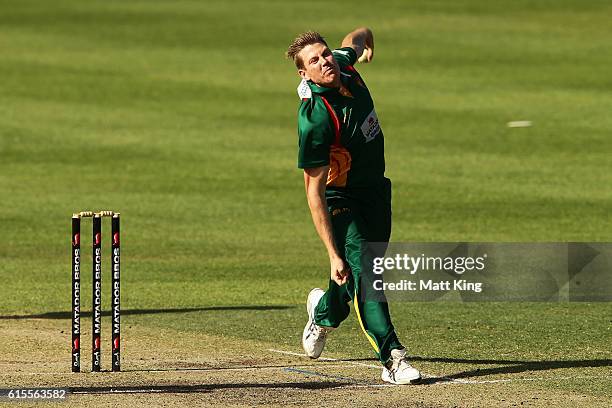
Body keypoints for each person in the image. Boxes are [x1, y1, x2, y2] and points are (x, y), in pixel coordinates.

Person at [286, 28, 422, 385]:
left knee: (359, 271)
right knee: (365, 270)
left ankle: (323, 312)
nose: (324, 61)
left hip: (375, 191)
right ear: (304, 74)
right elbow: (313, 191)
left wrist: (368, 38)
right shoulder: (315, 118)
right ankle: (393, 357)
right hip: (339, 198)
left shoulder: (343, 65)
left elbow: (355, 38)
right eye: (313, 60)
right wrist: (331, 252)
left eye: (325, 53)